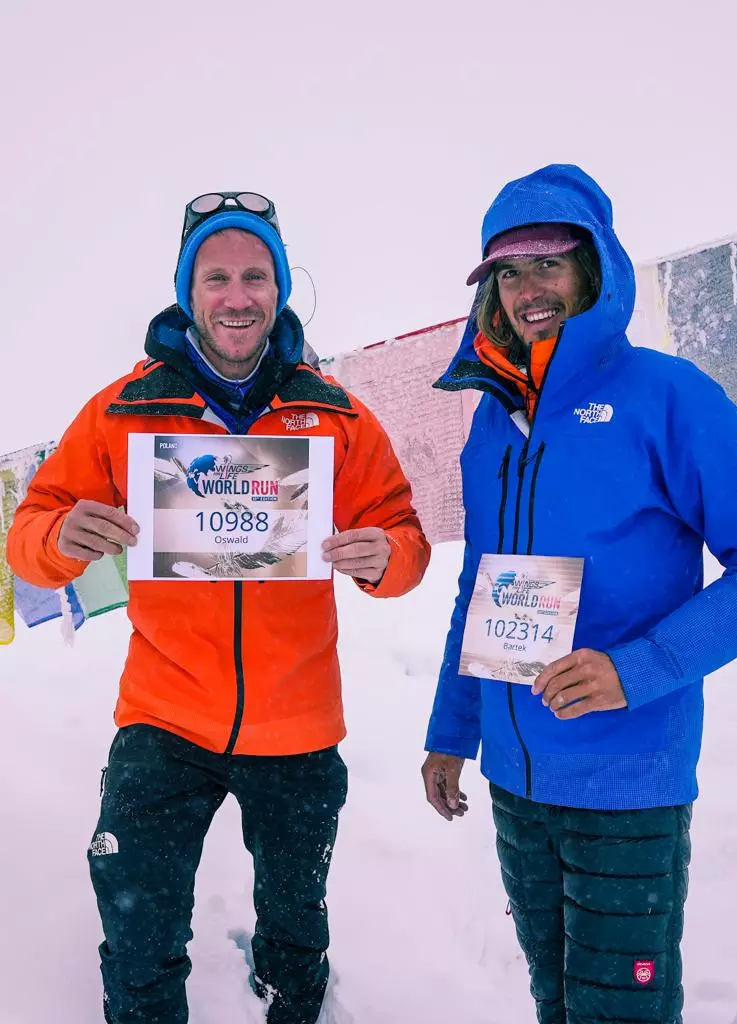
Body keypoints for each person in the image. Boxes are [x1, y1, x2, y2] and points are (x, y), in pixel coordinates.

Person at [7, 191, 430, 1024]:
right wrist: (63, 536)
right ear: (187, 290)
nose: (237, 296)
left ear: (278, 288)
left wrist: (387, 559)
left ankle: (292, 1006)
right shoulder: (123, 410)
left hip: (299, 727)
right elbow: (26, 536)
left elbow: (402, 536)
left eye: (255, 276)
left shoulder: (335, 413)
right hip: (164, 722)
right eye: (216, 277)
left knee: (296, 931)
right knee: (136, 930)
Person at [421, 164, 737, 1023]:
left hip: (627, 783)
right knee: (556, 1002)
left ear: (594, 268)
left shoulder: (667, 396)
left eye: (549, 264)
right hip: (517, 782)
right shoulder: (492, 420)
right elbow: (479, 590)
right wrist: (453, 731)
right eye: (507, 272)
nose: (528, 288)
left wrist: (633, 669)